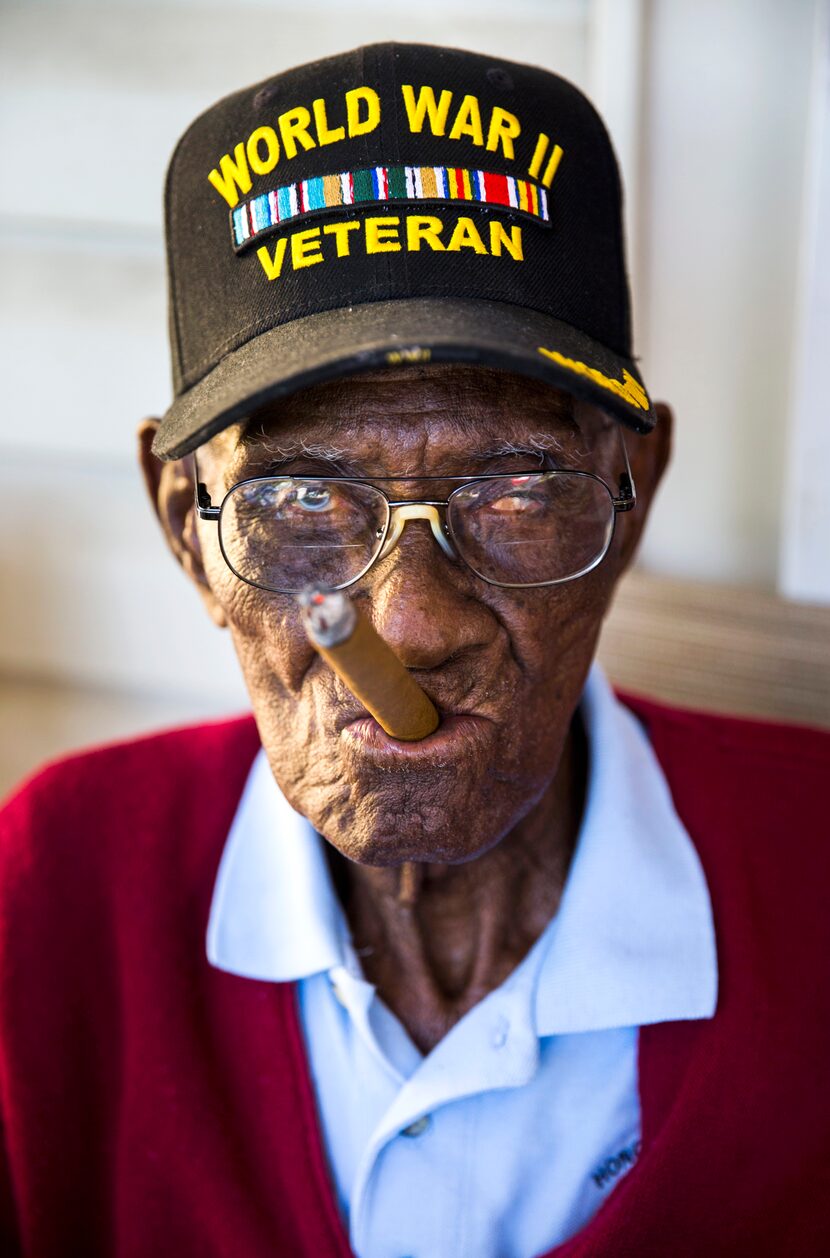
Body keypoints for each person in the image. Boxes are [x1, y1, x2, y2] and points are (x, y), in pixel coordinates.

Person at [0, 42, 828, 1258]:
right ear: (187, 528)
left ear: (629, 491)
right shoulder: (48, 894)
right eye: (298, 502)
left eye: (514, 487)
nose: (410, 624)